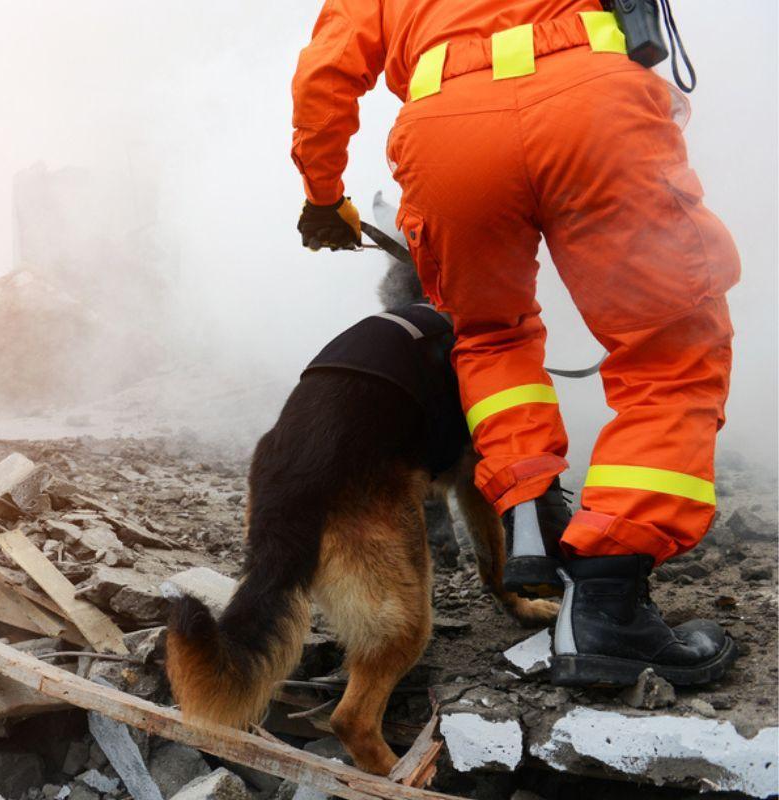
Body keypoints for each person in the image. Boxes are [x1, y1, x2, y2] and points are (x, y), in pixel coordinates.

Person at [291, 0, 740, 687]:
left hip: (448, 126)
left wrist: (323, 192)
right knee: (669, 353)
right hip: (589, 103)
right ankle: (609, 603)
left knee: (490, 336)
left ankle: (529, 519)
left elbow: (327, 69)